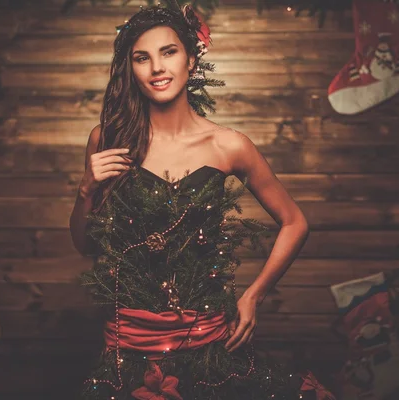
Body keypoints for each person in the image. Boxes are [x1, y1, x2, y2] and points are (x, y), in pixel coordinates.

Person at [69, 2, 335, 399]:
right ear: (132, 69)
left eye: (169, 52)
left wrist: (253, 296)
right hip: (129, 353)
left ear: (191, 60)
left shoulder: (228, 145)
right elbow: (84, 246)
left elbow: (295, 222)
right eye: (142, 58)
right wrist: (85, 190)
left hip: (210, 347)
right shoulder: (108, 139)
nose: (157, 67)